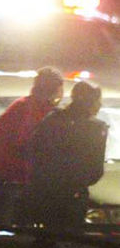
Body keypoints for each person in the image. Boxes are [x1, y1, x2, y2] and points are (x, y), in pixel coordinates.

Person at [0, 66, 64, 223]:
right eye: (59, 90)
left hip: (19, 180)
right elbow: (22, 146)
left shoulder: (39, 109)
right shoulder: (26, 110)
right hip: (12, 181)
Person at [24, 80, 107, 230]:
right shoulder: (95, 128)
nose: (100, 105)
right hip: (73, 197)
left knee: (46, 240)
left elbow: (34, 152)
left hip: (45, 193)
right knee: (72, 242)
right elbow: (95, 170)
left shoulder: (51, 119)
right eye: (98, 101)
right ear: (92, 102)